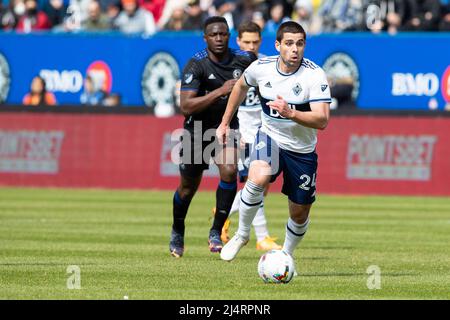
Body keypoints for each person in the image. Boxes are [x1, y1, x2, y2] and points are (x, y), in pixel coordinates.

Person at [216, 21, 331, 262]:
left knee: (299, 212)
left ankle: (286, 255)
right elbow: (239, 87)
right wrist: (225, 122)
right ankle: (242, 234)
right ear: (278, 45)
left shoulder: (314, 75)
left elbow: (321, 120)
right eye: (289, 43)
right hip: (269, 137)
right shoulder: (261, 68)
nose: (295, 49)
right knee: (257, 176)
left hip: (302, 150)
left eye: (300, 44)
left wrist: (292, 113)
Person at [169, 16, 257, 258]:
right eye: (214, 35)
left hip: (227, 128)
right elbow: (186, 106)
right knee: (187, 188)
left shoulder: (244, 59)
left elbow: (266, 79)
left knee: (229, 171)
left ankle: (216, 231)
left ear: (229, 36)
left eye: (223, 34)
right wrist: (221, 91)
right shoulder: (196, 65)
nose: (219, 38)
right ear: (205, 38)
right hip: (196, 131)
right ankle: (178, 229)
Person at [220, 21, 282, 252]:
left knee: (261, 187)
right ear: (238, 41)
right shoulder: (229, 67)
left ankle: (224, 211)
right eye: (246, 41)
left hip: (264, 133)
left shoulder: (267, 64)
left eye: (255, 41)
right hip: (242, 135)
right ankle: (262, 237)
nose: (251, 46)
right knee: (255, 184)